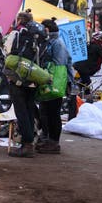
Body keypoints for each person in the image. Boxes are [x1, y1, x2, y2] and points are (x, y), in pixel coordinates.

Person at [6, 11, 42, 158]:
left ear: (20, 20)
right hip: (33, 76)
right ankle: (30, 142)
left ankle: (26, 145)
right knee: (29, 109)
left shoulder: (17, 33)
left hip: (18, 77)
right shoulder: (36, 35)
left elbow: (7, 52)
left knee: (21, 111)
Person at [36, 19, 72, 154]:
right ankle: (47, 138)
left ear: (47, 30)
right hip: (47, 82)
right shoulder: (48, 43)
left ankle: (54, 142)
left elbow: (60, 66)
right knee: (45, 112)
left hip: (55, 83)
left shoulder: (57, 44)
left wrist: (51, 78)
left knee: (53, 113)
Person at [73, 31, 102, 95]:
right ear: (99, 38)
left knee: (85, 82)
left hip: (81, 66)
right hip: (83, 68)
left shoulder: (92, 45)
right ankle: (85, 97)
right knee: (87, 82)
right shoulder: (97, 47)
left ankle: (82, 93)